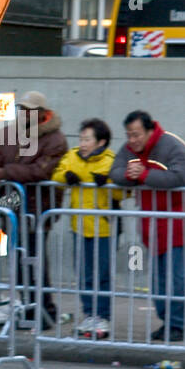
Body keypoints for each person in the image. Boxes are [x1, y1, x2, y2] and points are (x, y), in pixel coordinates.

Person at [0, 90, 67, 327]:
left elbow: (42, 171)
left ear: (41, 113)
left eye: (28, 110)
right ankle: (29, 308)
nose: (23, 113)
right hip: (12, 208)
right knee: (19, 260)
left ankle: (44, 310)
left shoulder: (55, 139)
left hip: (39, 208)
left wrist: (5, 172)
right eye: (21, 109)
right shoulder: (9, 133)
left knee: (36, 260)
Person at [110, 109, 185, 341]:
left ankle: (176, 324)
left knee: (175, 277)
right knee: (157, 280)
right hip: (151, 224)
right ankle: (167, 321)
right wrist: (130, 174)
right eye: (129, 135)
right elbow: (115, 172)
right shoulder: (129, 150)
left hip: (176, 223)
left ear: (150, 130)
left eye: (137, 135)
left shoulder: (172, 145)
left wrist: (144, 175)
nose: (133, 140)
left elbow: (181, 176)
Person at [51, 118, 121, 340]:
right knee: (84, 274)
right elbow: (57, 175)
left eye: (87, 139)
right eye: (81, 139)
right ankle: (89, 313)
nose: (82, 143)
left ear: (101, 142)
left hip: (104, 227)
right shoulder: (72, 156)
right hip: (79, 226)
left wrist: (109, 182)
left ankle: (103, 316)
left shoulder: (111, 161)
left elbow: (124, 191)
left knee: (102, 274)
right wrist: (66, 177)